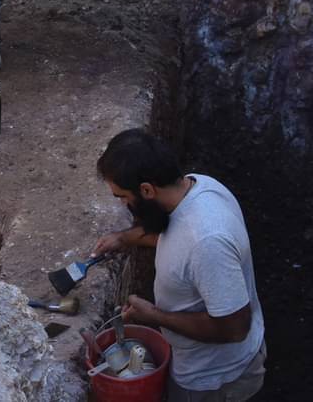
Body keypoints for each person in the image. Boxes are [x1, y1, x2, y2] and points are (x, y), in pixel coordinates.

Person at [92, 129, 267, 401]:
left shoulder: (208, 241)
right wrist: (126, 238)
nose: (125, 205)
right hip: (202, 366)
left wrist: (154, 316)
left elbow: (234, 328)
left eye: (123, 197)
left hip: (213, 380)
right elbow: (174, 236)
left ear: (147, 190)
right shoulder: (199, 187)